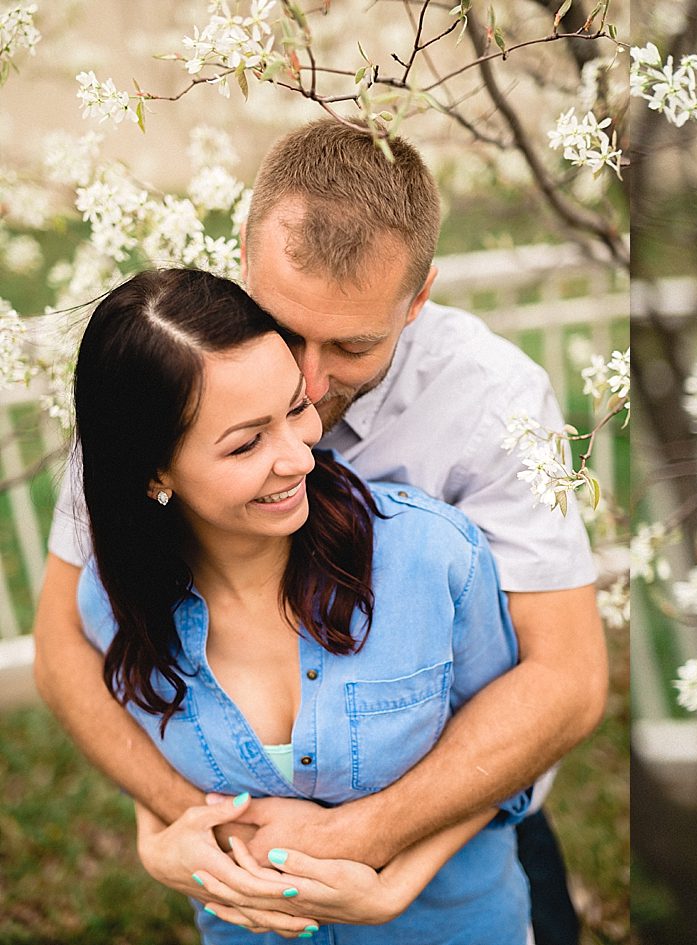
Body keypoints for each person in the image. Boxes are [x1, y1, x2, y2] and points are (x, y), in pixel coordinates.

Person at [31, 120, 606, 943]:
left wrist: (367, 846)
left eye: (351, 345)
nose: (304, 380)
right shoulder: (157, 377)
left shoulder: (492, 405)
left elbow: (567, 677)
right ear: (241, 254)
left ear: (420, 297)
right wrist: (185, 825)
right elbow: (68, 644)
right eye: (280, 322)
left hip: (460, 826)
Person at [70, 268, 526, 941]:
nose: (299, 457)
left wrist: (393, 884)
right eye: (247, 442)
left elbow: (508, 757)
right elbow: (149, 744)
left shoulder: (433, 555)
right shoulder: (112, 602)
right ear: (154, 471)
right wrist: (154, 839)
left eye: (294, 409)